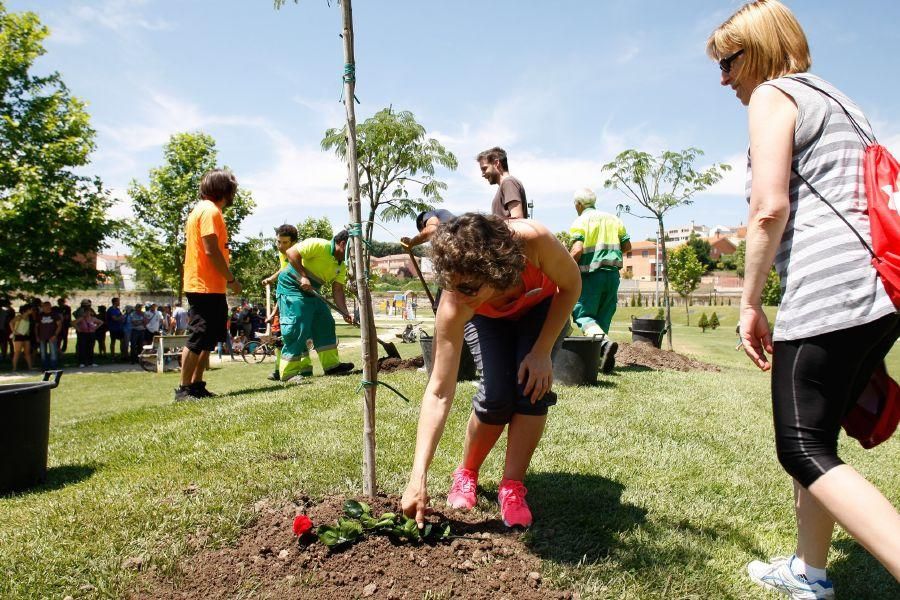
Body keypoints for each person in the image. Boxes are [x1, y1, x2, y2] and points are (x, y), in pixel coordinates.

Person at [708, 1, 900, 596]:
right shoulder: (842, 101)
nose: (724, 80)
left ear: (759, 51)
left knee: (800, 447)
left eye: (728, 62)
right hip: (881, 288)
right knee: (819, 438)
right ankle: (809, 572)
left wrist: (748, 304)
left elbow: (768, 207)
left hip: (831, 288)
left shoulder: (774, 95)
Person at [401, 214, 580, 528]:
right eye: (450, 285)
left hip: (542, 306)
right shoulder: (457, 300)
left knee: (531, 388)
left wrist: (540, 352)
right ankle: (466, 473)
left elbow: (571, 285)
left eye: (467, 287)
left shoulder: (534, 241)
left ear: (494, 270)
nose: (457, 294)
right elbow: (440, 391)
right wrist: (418, 476)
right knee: (496, 393)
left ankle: (512, 486)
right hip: (488, 319)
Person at [176, 169, 242, 401]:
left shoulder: (204, 210)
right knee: (198, 335)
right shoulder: (210, 211)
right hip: (202, 285)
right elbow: (211, 250)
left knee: (210, 336)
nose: (234, 193)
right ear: (224, 190)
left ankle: (197, 384)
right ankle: (183, 389)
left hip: (212, 287)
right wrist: (232, 280)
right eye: (232, 188)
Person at [276, 230, 354, 382]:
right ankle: (288, 373)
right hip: (291, 285)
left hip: (312, 290)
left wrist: (345, 312)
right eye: (353, 250)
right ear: (343, 244)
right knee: (298, 325)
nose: (354, 255)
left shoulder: (341, 266)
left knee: (325, 321)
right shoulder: (319, 245)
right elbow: (291, 253)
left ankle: (332, 366)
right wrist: (304, 276)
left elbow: (337, 290)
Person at [568, 188, 630, 373]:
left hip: (591, 275)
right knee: (602, 317)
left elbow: (577, 250)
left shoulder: (580, 221)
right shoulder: (614, 219)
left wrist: (566, 266)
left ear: (578, 204)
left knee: (582, 315)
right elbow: (627, 246)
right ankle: (601, 356)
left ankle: (603, 344)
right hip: (612, 276)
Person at [261, 224, 299, 380]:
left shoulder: (297, 255)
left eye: (285, 243)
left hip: (293, 302)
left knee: (290, 336)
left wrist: (274, 311)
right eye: (278, 242)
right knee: (278, 338)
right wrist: (272, 278)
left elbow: (288, 290)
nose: (281, 246)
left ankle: (294, 371)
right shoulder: (283, 254)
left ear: (294, 243)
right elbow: (284, 269)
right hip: (282, 299)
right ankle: (279, 370)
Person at [476, 147, 528, 219]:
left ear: (496, 163)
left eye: (484, 169)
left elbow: (518, 221)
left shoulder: (509, 182)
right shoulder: (506, 184)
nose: (483, 174)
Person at [36, 301, 62, 370]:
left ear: (49, 306)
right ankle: (44, 367)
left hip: (52, 336)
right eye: (43, 307)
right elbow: (36, 326)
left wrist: (55, 335)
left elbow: (59, 325)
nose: (45, 308)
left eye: (46, 306)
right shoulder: (40, 315)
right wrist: (37, 336)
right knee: (43, 353)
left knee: (53, 352)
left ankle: (54, 367)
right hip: (42, 336)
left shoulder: (55, 315)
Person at [10, 305, 34, 371]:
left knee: (27, 352)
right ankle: (14, 368)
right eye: (30, 309)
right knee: (17, 352)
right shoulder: (19, 317)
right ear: (26, 310)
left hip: (26, 336)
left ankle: (30, 368)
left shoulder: (29, 317)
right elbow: (11, 323)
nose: (32, 310)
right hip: (18, 336)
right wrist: (14, 332)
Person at [0, 298, 14, 362]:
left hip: (8, 329)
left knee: (10, 343)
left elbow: (10, 320)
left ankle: (11, 355)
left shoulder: (9, 311)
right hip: (3, 329)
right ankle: (4, 355)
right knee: (4, 343)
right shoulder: (5, 311)